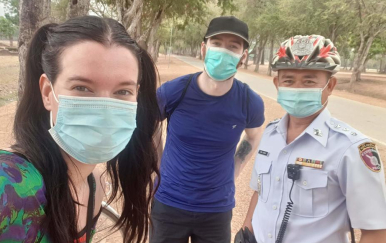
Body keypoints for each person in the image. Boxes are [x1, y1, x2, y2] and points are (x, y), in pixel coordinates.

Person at [0, 16, 160, 243]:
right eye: (82, 87)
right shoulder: (5, 183)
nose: (104, 110)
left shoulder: (94, 185)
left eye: (123, 92)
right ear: (47, 93)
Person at [237, 35, 386, 243]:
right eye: (288, 80)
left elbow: (376, 232)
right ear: (277, 84)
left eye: (309, 81)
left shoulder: (351, 149)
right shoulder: (270, 135)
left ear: (330, 86)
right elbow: (259, 193)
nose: (298, 88)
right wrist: (245, 231)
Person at [150, 16, 265, 243]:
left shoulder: (249, 102)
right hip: (168, 204)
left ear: (243, 56)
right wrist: (157, 165)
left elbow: (253, 136)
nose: (223, 51)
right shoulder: (174, 91)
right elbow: (150, 125)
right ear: (204, 48)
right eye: (217, 43)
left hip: (216, 209)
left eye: (233, 46)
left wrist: (235, 169)